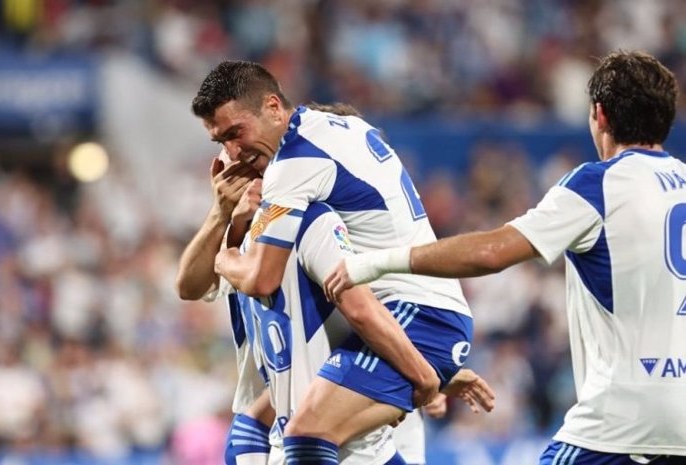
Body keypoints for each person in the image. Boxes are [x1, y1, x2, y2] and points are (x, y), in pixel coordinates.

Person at [324, 50, 686, 464]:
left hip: (622, 422)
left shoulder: (599, 184)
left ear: (599, 115)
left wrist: (375, 262)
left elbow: (493, 251)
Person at [190, 60, 476, 465]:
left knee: (307, 433)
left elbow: (262, 279)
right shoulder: (344, 128)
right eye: (220, 141)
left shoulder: (292, 166)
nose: (232, 153)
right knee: (272, 427)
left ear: (274, 107)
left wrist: (225, 257)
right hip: (413, 312)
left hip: (412, 317)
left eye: (237, 133)